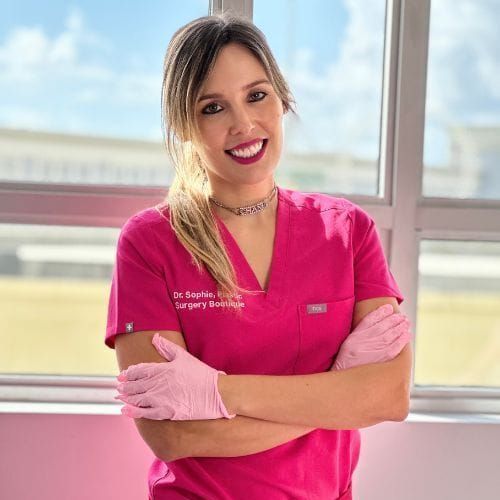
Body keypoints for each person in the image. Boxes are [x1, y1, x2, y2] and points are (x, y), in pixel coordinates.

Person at [105, 12, 413, 500]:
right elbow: (172, 437)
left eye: (256, 95)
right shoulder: (149, 243)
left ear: (282, 98)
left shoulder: (348, 231)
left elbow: (388, 397)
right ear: (183, 125)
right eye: (212, 108)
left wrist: (216, 393)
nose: (243, 124)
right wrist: (335, 391)